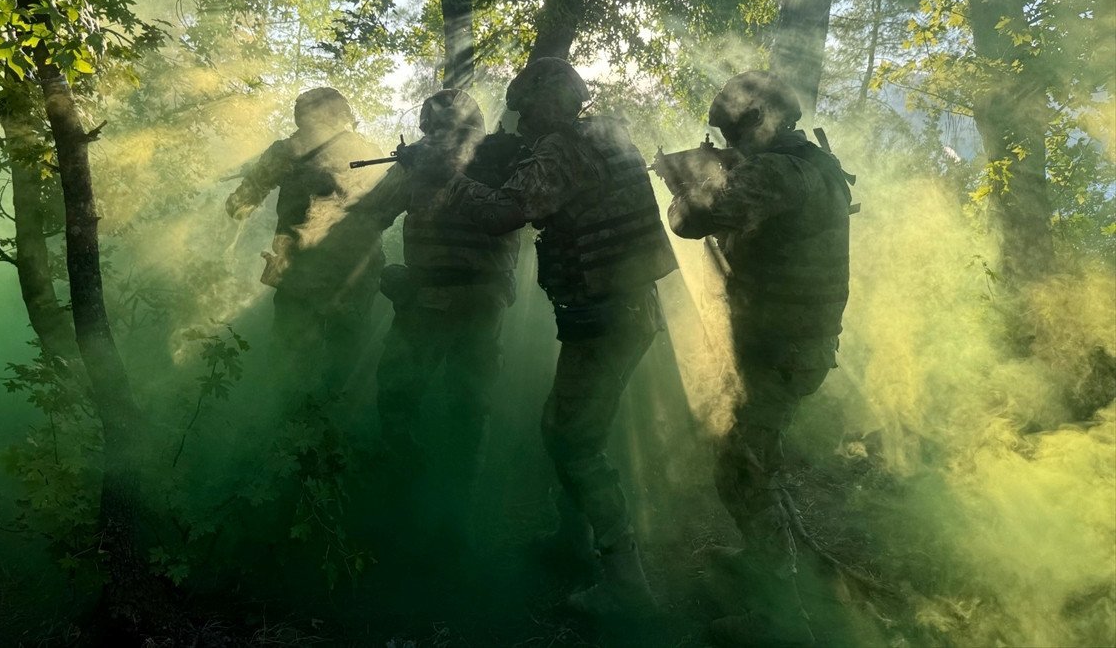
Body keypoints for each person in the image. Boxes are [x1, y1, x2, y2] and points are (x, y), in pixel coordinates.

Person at [444, 58, 677, 615]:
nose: (520, 121)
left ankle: (627, 583)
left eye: (526, 108)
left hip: (606, 314)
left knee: (572, 439)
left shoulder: (561, 148)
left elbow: (504, 213)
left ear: (549, 101)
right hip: (627, 307)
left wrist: (449, 180)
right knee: (568, 428)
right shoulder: (608, 136)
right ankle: (573, 541)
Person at [664, 71, 852, 646]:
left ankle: (781, 615)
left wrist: (687, 178)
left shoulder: (775, 171)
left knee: (740, 466)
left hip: (783, 349)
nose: (733, 146)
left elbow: (689, 220)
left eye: (735, 135)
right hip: (790, 342)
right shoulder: (813, 163)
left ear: (755, 125)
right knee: (754, 455)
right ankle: (760, 560)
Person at [355, 89, 523, 549]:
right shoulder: (508, 160)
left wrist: (381, 272)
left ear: (429, 123)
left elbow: (371, 213)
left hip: (426, 302)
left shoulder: (419, 161)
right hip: (485, 303)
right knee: (468, 408)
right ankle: (456, 517)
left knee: (396, 398)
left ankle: (402, 502)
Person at [225, 87, 386, 396]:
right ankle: (331, 430)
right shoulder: (368, 149)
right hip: (356, 270)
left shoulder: (286, 150)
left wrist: (258, 177)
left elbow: (238, 206)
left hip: (302, 270)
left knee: (291, 360)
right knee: (344, 359)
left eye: (302, 110)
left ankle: (291, 430)